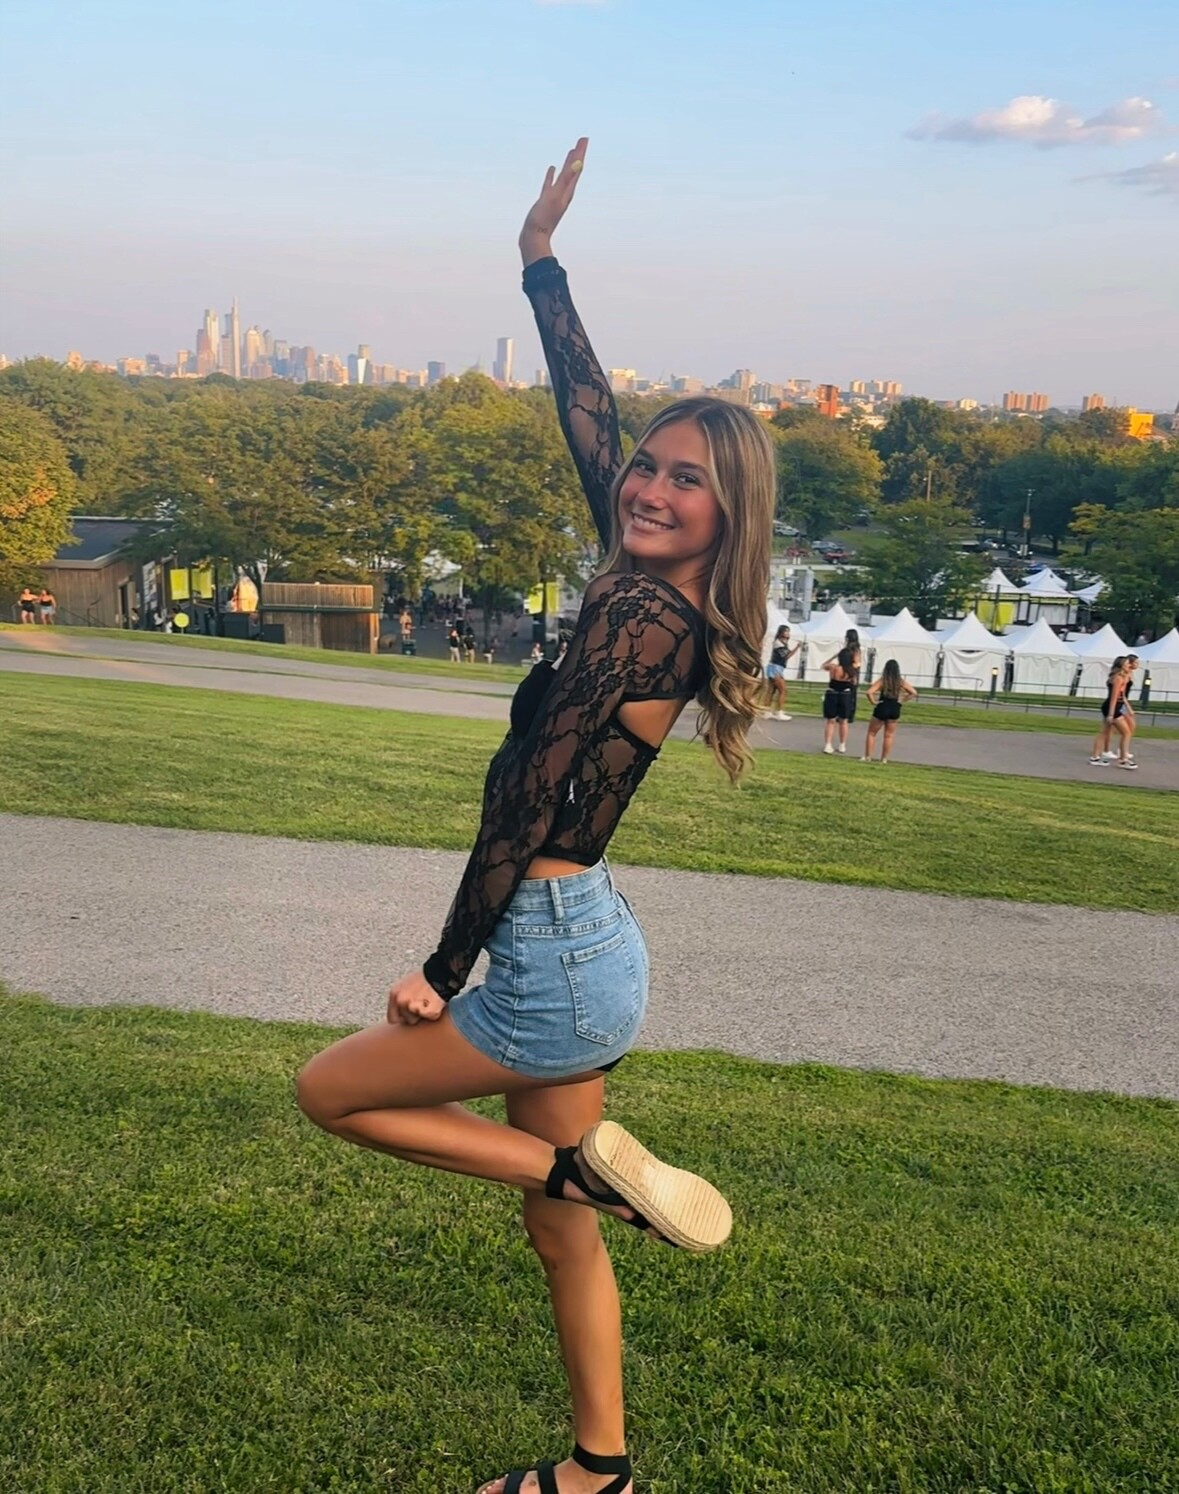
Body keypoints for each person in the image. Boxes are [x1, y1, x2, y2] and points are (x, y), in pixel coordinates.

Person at [295, 137, 775, 1494]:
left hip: (549, 953)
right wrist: (539, 263)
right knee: (556, 1230)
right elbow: (588, 415)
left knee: (332, 1092)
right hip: (586, 945)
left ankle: (580, 1173)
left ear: (727, 512)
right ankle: (598, 1469)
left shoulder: (636, 613)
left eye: (687, 480)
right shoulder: (650, 582)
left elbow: (525, 798)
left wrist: (443, 967)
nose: (650, 486)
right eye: (650, 468)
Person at [861, 658, 917, 763]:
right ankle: (884, 759)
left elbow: (869, 692)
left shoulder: (883, 680)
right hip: (894, 707)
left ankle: (868, 756)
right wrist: (902, 700)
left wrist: (873, 702)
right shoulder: (900, 681)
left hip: (883, 705)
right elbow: (913, 692)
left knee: (872, 733)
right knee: (889, 735)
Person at [1090, 657, 1135, 769]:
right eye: (1127, 664)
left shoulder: (1122, 677)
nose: (1129, 665)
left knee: (1104, 732)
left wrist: (1128, 708)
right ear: (1121, 665)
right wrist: (1111, 714)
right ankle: (1123, 760)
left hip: (1116, 706)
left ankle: (1095, 757)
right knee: (1126, 733)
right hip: (1113, 707)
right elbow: (1114, 697)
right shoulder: (1118, 678)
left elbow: (1122, 696)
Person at [821, 646, 858, 754]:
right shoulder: (851, 670)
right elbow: (854, 682)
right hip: (845, 695)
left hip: (832, 693)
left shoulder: (834, 667)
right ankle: (842, 744)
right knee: (843, 721)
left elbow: (823, 665)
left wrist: (833, 656)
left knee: (830, 720)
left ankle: (828, 744)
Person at [764, 624, 798, 720]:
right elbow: (786, 656)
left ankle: (767, 712)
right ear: (781, 632)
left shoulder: (782, 643)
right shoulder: (779, 643)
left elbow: (787, 654)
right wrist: (797, 647)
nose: (788, 633)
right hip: (776, 668)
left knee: (771, 690)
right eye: (786, 631)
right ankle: (780, 712)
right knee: (783, 690)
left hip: (775, 667)